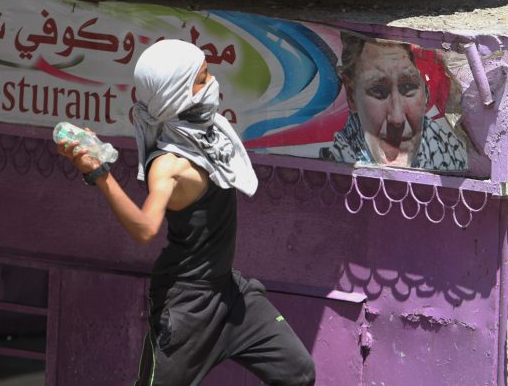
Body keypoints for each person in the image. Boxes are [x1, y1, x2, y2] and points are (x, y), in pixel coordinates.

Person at [56, 39, 315, 386]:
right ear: (175, 93)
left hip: (228, 292)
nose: (212, 83)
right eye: (202, 77)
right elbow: (146, 229)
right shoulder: (168, 165)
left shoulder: (203, 133)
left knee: (298, 373)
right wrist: (100, 175)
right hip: (186, 306)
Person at [321, 32, 468, 172]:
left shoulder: (454, 156)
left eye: (408, 87)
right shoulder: (330, 173)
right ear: (351, 95)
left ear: (427, 93)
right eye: (378, 91)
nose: (397, 118)